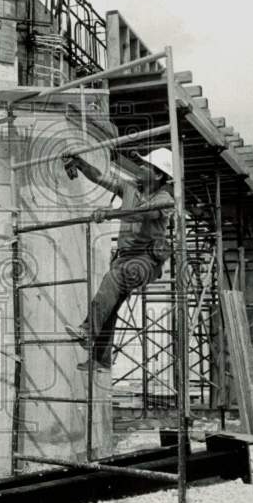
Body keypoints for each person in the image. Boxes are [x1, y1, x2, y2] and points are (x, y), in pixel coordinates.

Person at [62, 147, 175, 371]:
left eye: (147, 165)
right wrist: (81, 163)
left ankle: (87, 330)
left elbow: (145, 213)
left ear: (159, 174)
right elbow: (101, 177)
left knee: (113, 280)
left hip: (146, 261)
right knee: (110, 304)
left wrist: (109, 213)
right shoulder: (130, 187)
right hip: (124, 258)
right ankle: (100, 360)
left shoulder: (165, 199)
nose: (141, 167)